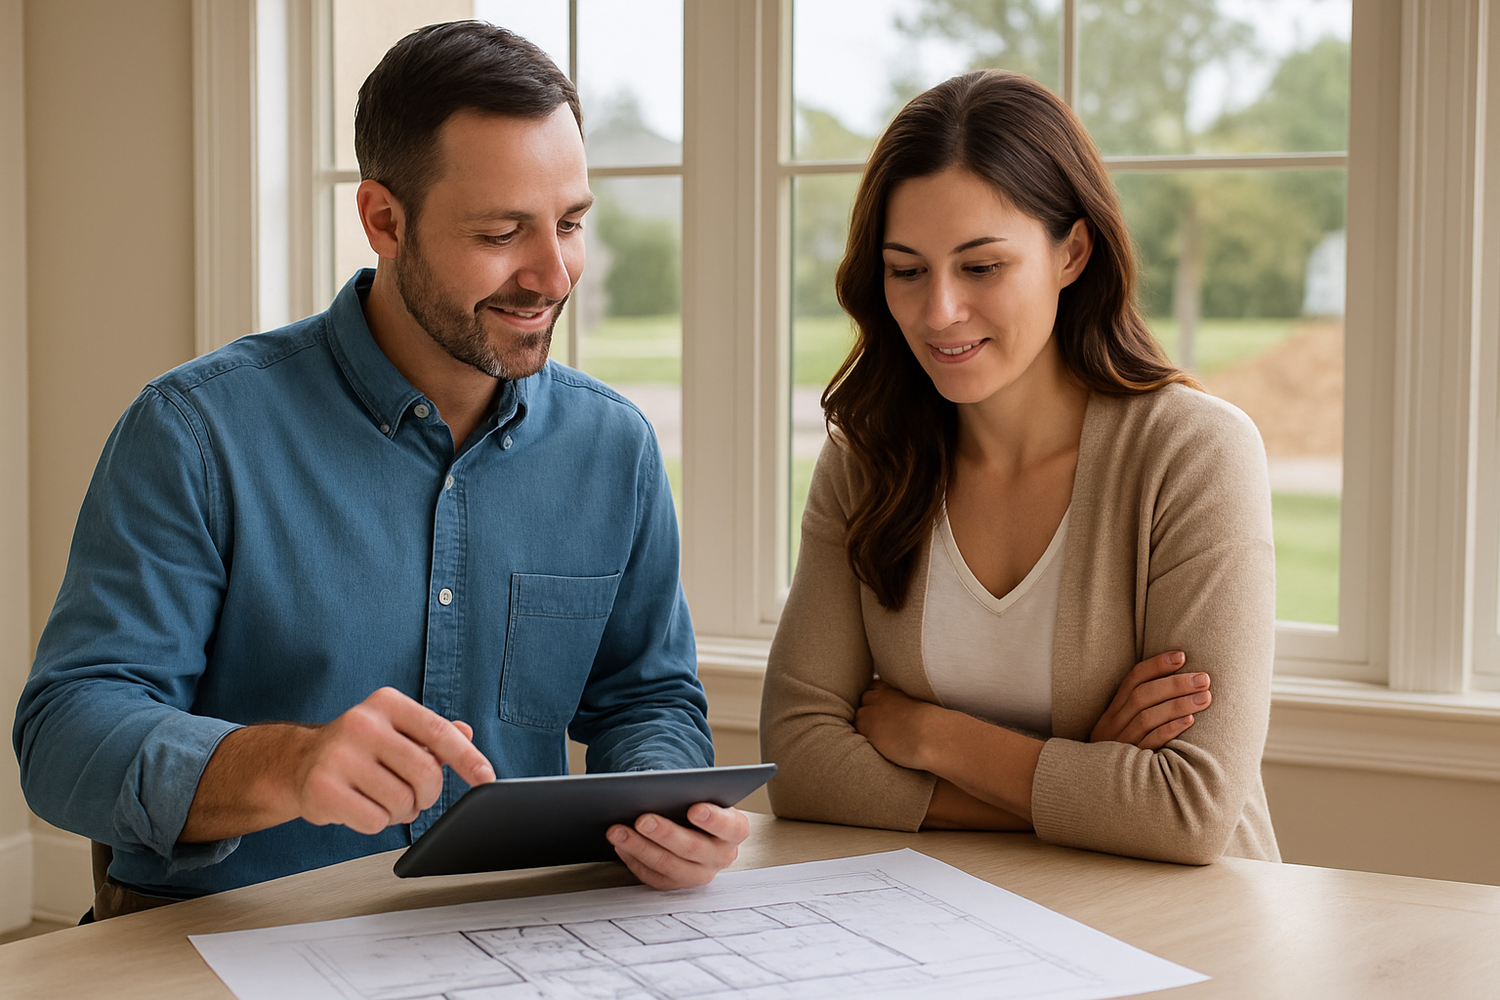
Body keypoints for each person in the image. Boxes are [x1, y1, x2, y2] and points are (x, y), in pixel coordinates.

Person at [13, 21, 747, 918]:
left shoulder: (613, 449)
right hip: (231, 943)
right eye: (502, 231)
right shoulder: (194, 434)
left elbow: (648, 698)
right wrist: (289, 766)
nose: (553, 275)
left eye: (569, 224)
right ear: (382, 220)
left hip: (502, 943)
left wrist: (668, 803)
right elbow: (65, 736)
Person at [759, 70, 1279, 865]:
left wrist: (936, 736)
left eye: (981, 266)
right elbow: (799, 764)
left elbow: (1186, 808)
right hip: (951, 931)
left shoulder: (1194, 455)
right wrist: (1082, 768)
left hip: (1187, 938)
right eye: (906, 270)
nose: (938, 312)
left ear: (1071, 251)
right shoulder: (868, 458)